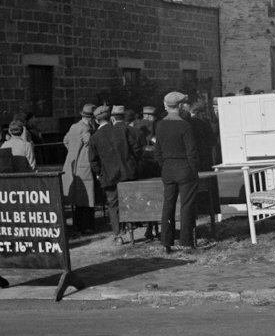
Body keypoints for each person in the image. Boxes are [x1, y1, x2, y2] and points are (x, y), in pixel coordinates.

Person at [153, 91, 199, 254]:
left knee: (168, 205)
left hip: (168, 169)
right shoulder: (185, 126)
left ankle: (166, 242)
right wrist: (193, 169)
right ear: (180, 106)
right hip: (185, 168)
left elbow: (157, 151)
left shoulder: (160, 125)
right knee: (186, 206)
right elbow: (191, 152)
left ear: (166, 106)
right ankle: (186, 242)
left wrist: (164, 165)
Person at [89, 105, 141, 244]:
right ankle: (131, 229)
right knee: (129, 200)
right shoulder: (122, 130)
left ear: (96, 120)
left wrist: (99, 173)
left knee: (113, 204)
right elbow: (136, 148)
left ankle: (118, 235)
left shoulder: (94, 138)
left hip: (109, 176)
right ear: (110, 118)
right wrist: (132, 163)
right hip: (128, 172)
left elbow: (93, 161)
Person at [62, 104, 97, 232]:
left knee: (78, 198)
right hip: (84, 166)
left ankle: (77, 224)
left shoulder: (74, 126)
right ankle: (86, 226)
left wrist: (73, 152)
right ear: (91, 118)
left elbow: (65, 140)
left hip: (72, 165)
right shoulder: (87, 130)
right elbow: (91, 147)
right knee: (87, 197)